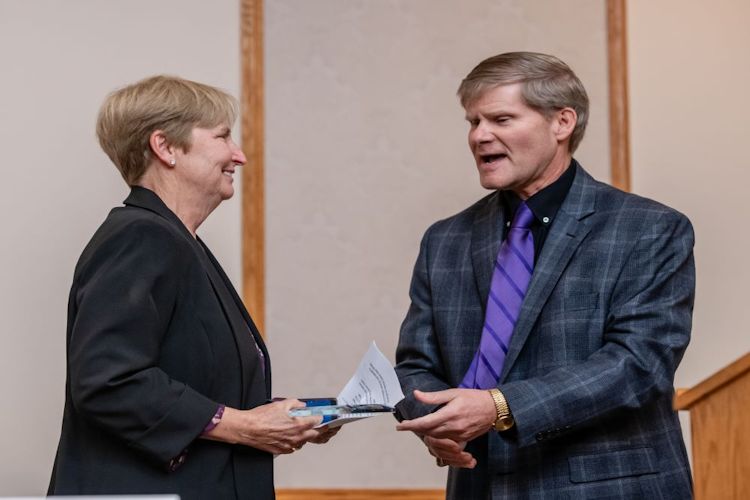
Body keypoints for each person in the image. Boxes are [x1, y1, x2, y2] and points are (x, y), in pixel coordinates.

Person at [394, 52, 694, 499]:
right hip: (479, 484)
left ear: (562, 123)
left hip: (605, 489)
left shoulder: (650, 228)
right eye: (473, 121)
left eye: (501, 119)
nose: (479, 135)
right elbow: (415, 364)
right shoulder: (445, 239)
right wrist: (435, 420)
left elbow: (639, 363)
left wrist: (499, 407)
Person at [48, 75, 337, 499]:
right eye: (222, 136)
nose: (239, 155)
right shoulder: (141, 237)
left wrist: (272, 417)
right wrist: (243, 426)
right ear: (165, 147)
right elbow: (108, 381)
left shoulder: (179, 242)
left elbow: (190, 382)